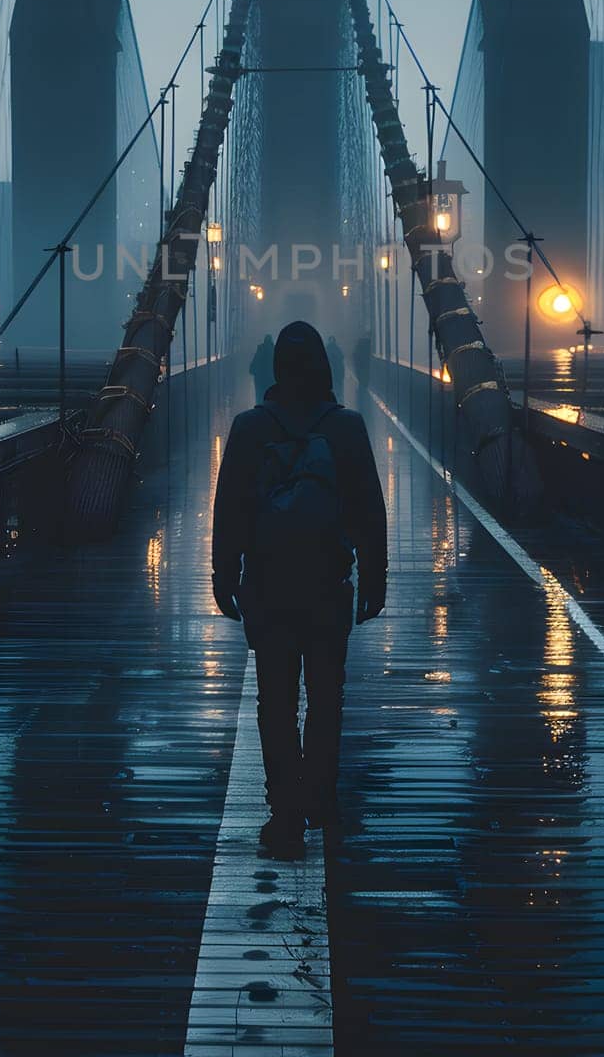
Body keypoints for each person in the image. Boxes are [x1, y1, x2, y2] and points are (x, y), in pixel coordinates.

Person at [212, 320, 387, 858]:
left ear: (274, 370)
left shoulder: (247, 428)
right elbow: (368, 509)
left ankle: (284, 812)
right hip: (327, 585)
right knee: (327, 697)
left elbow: (230, 509)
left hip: (268, 586)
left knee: (277, 702)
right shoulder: (347, 427)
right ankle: (322, 798)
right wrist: (374, 578)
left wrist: (224, 576)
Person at [249, 333, 274, 404]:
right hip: (271, 381)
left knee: (259, 399)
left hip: (260, 381)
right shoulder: (274, 351)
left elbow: (252, 368)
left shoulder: (260, 350)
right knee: (270, 399)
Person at [351, 335, 372, 408]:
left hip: (360, 370)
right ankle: (364, 396)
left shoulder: (358, 349)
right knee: (364, 383)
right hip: (365, 370)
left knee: (362, 383)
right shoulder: (367, 350)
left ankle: (362, 396)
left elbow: (354, 358)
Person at [325, 334, 344, 402]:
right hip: (336, 372)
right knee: (338, 387)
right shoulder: (337, 348)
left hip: (333, 372)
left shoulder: (327, 348)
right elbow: (341, 357)